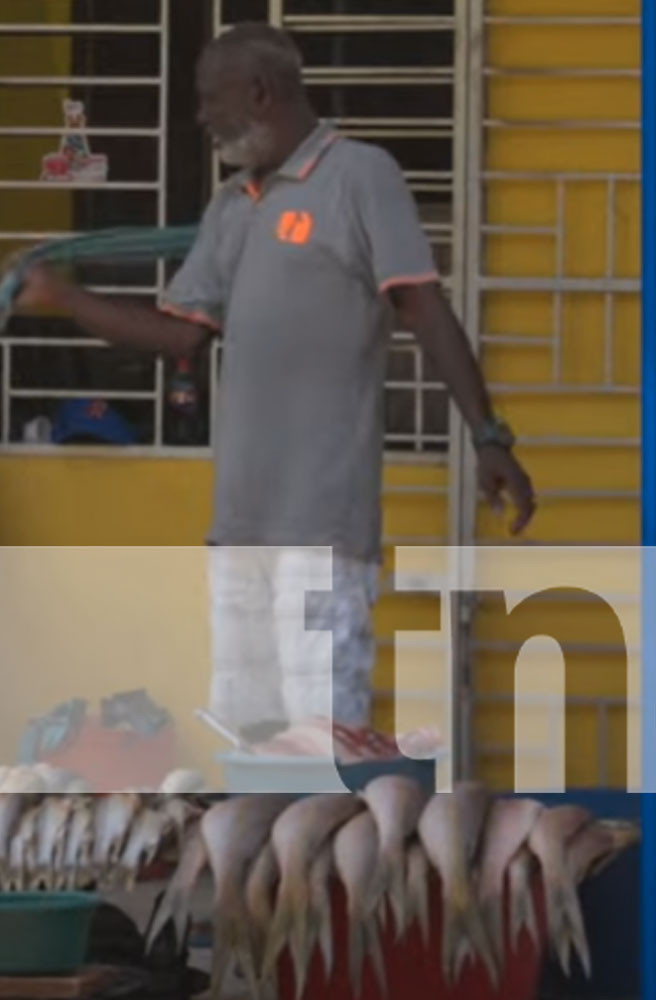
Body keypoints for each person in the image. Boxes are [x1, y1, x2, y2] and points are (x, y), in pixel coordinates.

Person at [12, 24, 535, 741]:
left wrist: (488, 436)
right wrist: (64, 300)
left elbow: (424, 307)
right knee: (245, 740)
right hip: (239, 533)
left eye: (208, 99)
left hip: (320, 532)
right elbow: (181, 337)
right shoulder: (233, 206)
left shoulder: (361, 176)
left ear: (259, 93)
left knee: (322, 743)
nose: (200, 117)